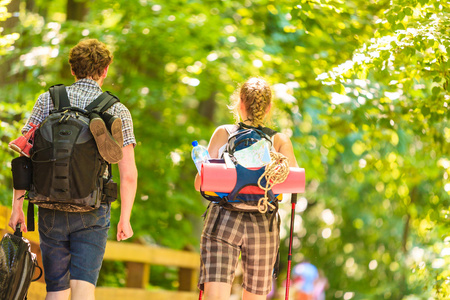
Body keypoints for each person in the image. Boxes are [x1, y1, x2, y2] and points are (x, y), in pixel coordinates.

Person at [8, 38, 138, 300]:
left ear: (72, 69)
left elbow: (25, 159)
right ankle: (98, 122)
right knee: (83, 290)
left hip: (49, 204)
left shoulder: (48, 99)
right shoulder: (118, 109)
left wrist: (17, 207)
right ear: (105, 70)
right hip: (92, 206)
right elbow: (129, 174)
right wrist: (125, 217)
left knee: (56, 289)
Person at [194, 77, 299, 300]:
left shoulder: (224, 132)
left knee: (215, 296)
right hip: (263, 221)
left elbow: (199, 183)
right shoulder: (279, 141)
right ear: (269, 107)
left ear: (240, 103)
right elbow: (295, 183)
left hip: (223, 217)